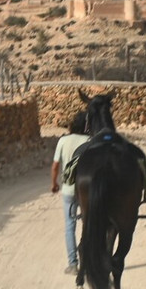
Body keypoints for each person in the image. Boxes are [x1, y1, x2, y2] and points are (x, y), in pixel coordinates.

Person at [51, 111, 89, 274]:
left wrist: (54, 183)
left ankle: (73, 264)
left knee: (69, 226)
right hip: (87, 190)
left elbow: (55, 166)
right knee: (89, 225)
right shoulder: (90, 141)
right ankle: (88, 261)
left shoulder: (63, 141)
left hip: (68, 189)